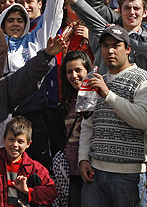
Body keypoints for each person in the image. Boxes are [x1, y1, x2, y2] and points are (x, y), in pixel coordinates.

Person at [78, 24, 147, 207]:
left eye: (116, 45)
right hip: (95, 173)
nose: (110, 51)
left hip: (129, 175)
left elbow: (143, 120)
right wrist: (83, 158)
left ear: (128, 49)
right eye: (105, 46)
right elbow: (88, 124)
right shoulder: (98, 81)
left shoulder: (143, 79)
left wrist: (109, 95)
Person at [0, 117, 57, 207]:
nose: (15, 145)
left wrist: (28, 191)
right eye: (11, 139)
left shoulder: (35, 168)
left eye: (20, 141)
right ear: (4, 140)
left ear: (28, 144)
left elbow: (51, 192)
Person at [57, 51, 92, 207]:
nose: (74, 75)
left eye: (78, 70)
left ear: (87, 71)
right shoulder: (66, 101)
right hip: (70, 172)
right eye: (69, 71)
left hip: (92, 170)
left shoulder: (97, 97)